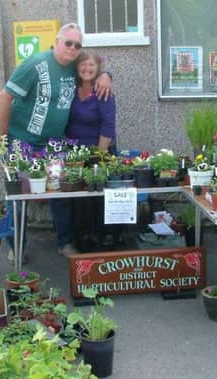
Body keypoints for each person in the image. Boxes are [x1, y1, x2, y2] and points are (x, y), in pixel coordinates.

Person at [0, 22, 112, 258]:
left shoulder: (73, 67)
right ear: (57, 42)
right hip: (22, 141)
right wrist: (2, 137)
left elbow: (92, 68)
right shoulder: (35, 64)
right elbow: (5, 96)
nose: (72, 48)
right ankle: (15, 247)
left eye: (77, 45)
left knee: (60, 193)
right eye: (68, 42)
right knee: (18, 196)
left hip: (55, 143)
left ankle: (65, 243)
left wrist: (106, 75)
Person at [65, 52, 118, 250]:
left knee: (98, 198)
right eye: (83, 65)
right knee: (78, 200)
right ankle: (81, 239)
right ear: (77, 68)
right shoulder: (71, 90)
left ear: (98, 70)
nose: (87, 69)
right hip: (75, 155)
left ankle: (101, 240)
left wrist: (98, 157)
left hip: (99, 152)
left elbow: (108, 125)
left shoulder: (103, 91)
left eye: (92, 66)